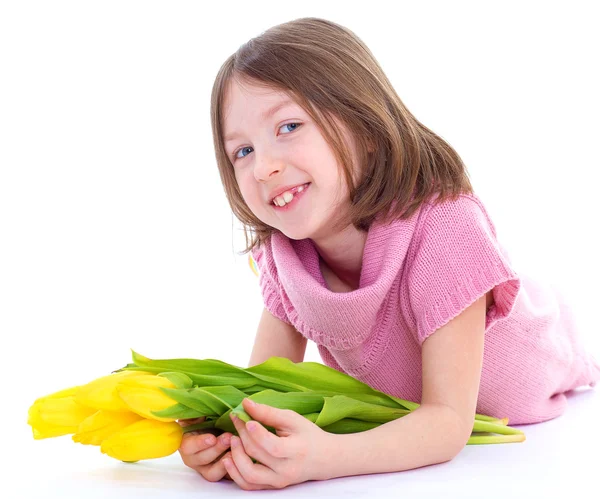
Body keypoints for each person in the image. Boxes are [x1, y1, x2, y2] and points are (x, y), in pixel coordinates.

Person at [177, 17, 600, 490]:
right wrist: (226, 437)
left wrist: (328, 457)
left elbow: (445, 423)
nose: (265, 166)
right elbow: (261, 393)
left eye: (290, 126)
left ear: (367, 126)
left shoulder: (446, 228)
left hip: (542, 348)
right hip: (428, 408)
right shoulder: (285, 260)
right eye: (242, 151)